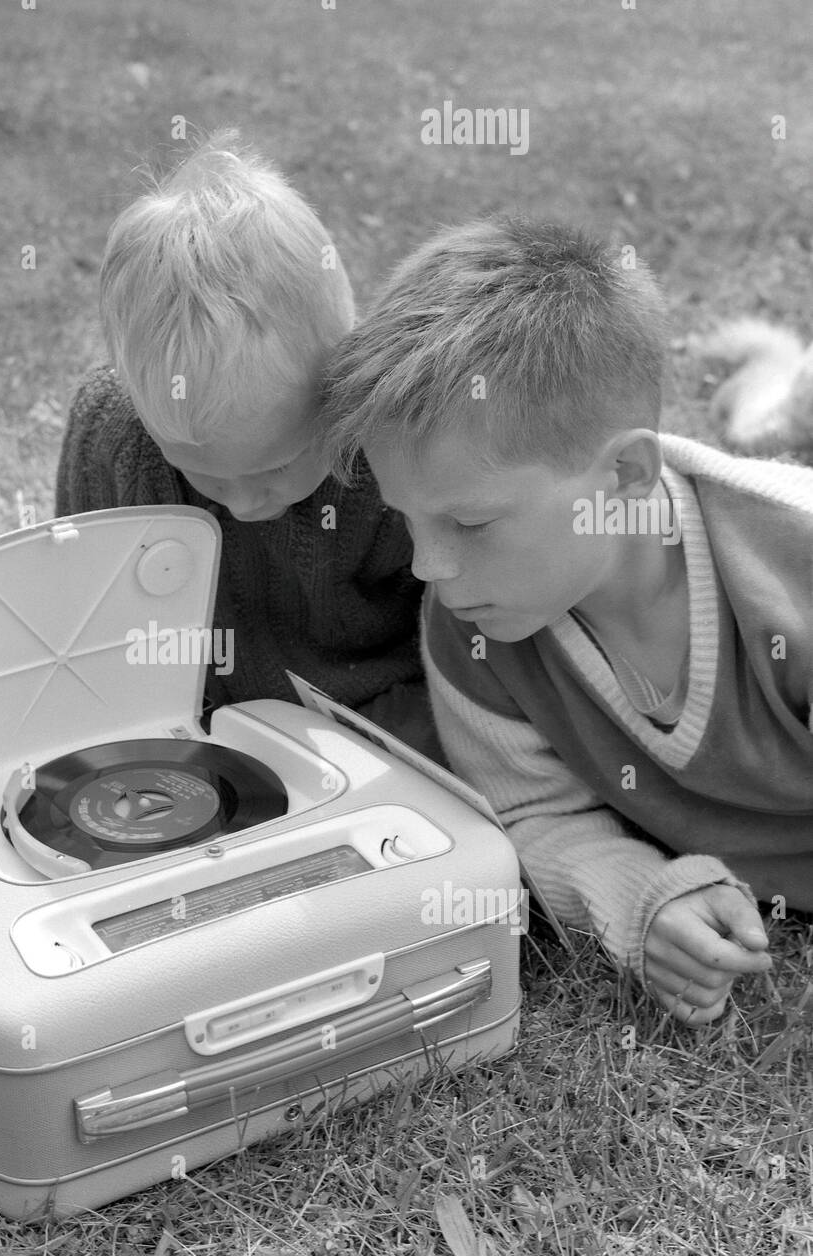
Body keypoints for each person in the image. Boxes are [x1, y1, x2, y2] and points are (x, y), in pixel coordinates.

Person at [320, 216, 813, 1024]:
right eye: (408, 520)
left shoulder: (787, 576)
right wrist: (641, 902)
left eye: (470, 524)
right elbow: (531, 813)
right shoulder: (474, 630)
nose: (426, 568)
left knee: (767, 431)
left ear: (624, 473)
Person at [55, 131, 440, 759]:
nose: (245, 507)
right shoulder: (115, 434)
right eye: (201, 475)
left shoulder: (392, 437)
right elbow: (86, 606)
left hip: (379, 714)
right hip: (193, 718)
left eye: (277, 466)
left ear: (341, 378)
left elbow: (454, 619)